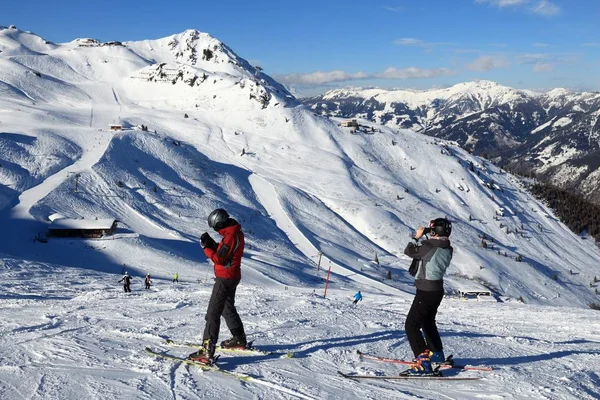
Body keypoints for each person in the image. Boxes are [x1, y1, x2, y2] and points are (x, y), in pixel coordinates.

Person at [189, 208, 247, 365]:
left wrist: (206, 247)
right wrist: (212, 243)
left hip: (225, 278)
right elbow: (224, 253)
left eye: (215, 227)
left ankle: (207, 351)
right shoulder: (233, 232)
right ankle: (239, 339)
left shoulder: (230, 236)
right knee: (227, 308)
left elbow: (219, 259)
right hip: (232, 276)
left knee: (213, 313)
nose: (216, 230)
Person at [402, 218, 453, 375]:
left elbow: (409, 251)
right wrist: (427, 237)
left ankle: (423, 362)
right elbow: (428, 253)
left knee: (411, 325)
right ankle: (436, 352)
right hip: (437, 290)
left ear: (435, 231)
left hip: (425, 290)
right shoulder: (448, 247)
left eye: (431, 229)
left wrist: (416, 237)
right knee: (427, 321)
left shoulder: (429, 245)